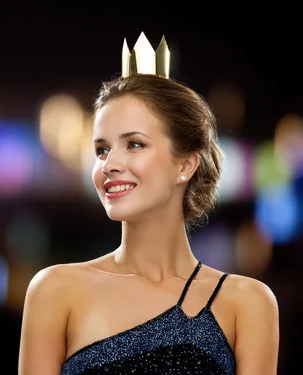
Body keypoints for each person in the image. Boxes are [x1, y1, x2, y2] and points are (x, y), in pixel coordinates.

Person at [18, 32, 279, 375]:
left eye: (135, 144)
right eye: (101, 149)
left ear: (185, 164)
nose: (109, 164)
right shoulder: (54, 291)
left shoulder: (247, 303)